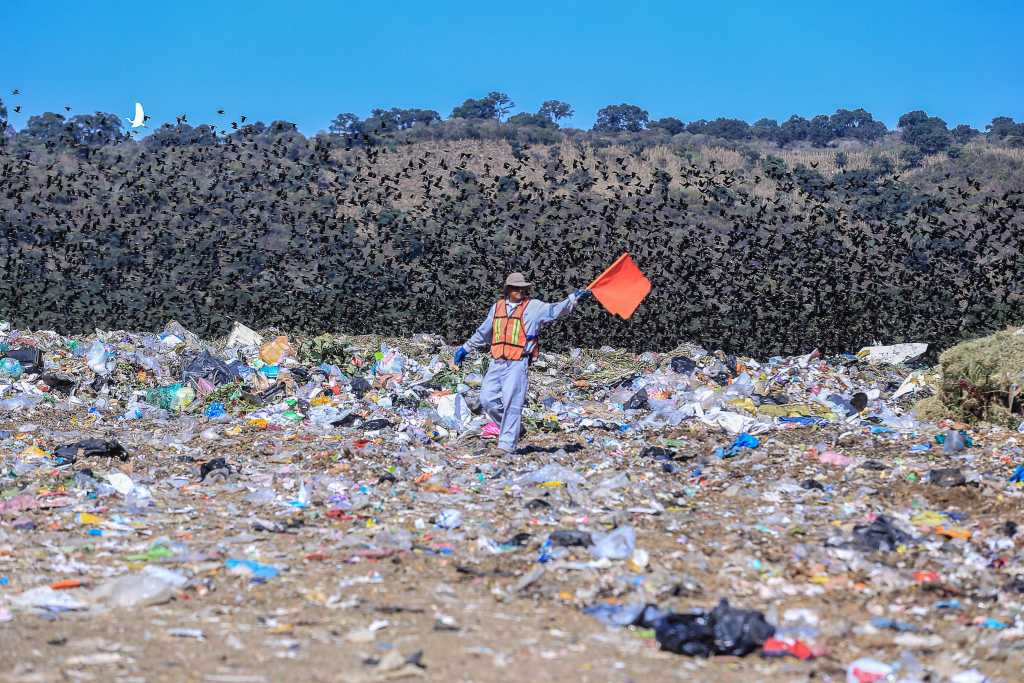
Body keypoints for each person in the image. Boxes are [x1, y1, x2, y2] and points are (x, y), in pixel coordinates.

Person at [453, 272, 592, 453]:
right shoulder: (497, 308)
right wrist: (465, 348)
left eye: (522, 288)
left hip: (518, 362)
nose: (520, 291)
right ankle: (515, 429)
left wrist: (574, 298)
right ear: (508, 289)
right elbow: (484, 332)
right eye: (516, 287)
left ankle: (506, 446)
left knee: (512, 402)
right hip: (497, 362)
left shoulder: (534, 307)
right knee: (487, 400)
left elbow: (556, 310)